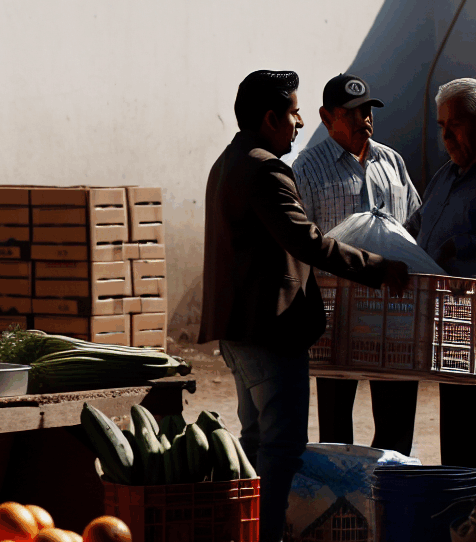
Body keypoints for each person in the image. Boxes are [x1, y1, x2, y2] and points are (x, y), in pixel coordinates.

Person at [199, 70, 409, 542]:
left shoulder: (229, 161)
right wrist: (378, 266)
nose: (297, 123)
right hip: (269, 332)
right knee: (281, 448)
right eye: (293, 114)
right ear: (271, 118)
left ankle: (247, 532)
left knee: (255, 443)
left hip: (240, 330)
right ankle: (264, 535)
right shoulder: (266, 169)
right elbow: (307, 241)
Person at [292, 73, 421, 455]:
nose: (363, 119)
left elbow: (414, 224)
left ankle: (387, 494)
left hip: (393, 312)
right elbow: (303, 243)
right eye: (351, 113)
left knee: (396, 427)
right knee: (335, 429)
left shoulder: (391, 162)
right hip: (337, 315)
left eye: (367, 110)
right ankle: (342, 503)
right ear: (326, 117)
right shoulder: (307, 169)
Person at [406, 77, 476, 467]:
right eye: (440, 126)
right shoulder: (446, 175)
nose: (446, 135)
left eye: (456, 124)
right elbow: (416, 225)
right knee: (456, 447)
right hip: (453, 342)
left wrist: (458, 251)